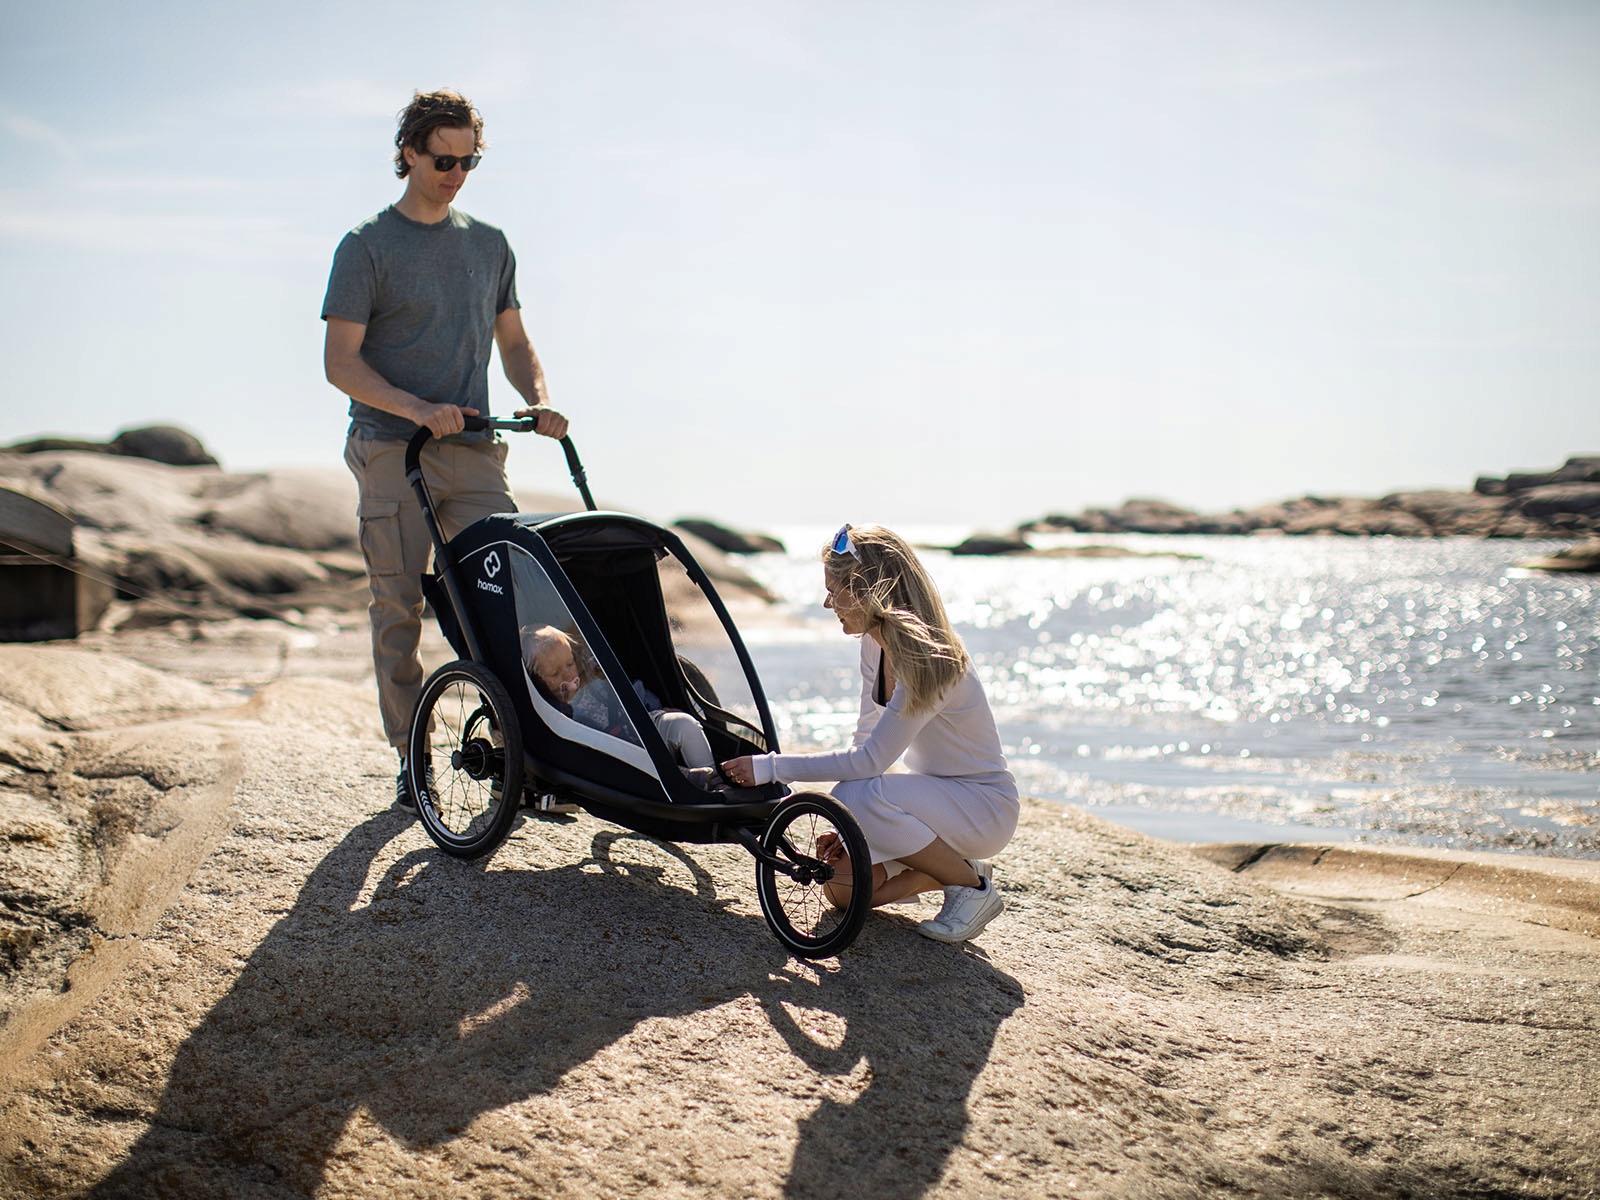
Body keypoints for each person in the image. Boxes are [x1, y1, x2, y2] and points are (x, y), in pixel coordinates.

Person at [322, 88, 569, 810]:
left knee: (513, 601)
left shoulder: (489, 244)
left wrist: (537, 396)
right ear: (408, 153)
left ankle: (531, 753)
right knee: (397, 608)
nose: (456, 174)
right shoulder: (366, 246)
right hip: (390, 450)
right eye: (443, 160)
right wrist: (417, 410)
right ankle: (413, 757)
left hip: (475, 451)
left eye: (469, 162)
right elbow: (340, 362)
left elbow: (514, 342)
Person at [721, 524, 1019, 943]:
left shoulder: (930, 659)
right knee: (841, 889)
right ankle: (954, 868)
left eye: (834, 592)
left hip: (982, 807)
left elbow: (871, 763)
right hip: (934, 802)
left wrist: (770, 768)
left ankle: (970, 889)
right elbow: (865, 741)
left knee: (852, 794)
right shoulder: (874, 645)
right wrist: (854, 824)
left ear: (866, 591)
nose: (828, 603)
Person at [521, 625, 717, 770]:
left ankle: (714, 779)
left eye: (570, 664)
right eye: (555, 674)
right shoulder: (553, 711)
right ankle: (690, 780)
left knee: (684, 724)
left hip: (639, 726)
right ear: (537, 682)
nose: (567, 675)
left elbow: (632, 693)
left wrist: (654, 709)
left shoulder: (593, 680)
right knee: (652, 770)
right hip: (613, 756)